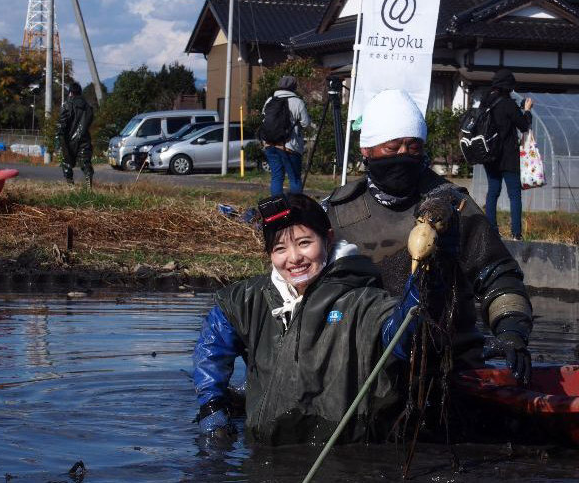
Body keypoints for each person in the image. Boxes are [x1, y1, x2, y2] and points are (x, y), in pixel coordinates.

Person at [324, 89, 533, 381]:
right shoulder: (337, 212)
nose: (403, 155)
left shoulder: (452, 204)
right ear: (367, 150)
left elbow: (498, 274)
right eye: (392, 147)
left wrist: (511, 330)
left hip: (449, 360)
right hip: (362, 362)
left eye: (413, 147)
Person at [192, 193, 422, 445]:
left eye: (304, 243)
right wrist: (211, 405)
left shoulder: (364, 301)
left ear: (328, 238)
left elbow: (404, 340)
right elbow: (213, 346)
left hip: (343, 454)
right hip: (265, 451)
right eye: (280, 248)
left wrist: (425, 281)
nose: (294, 258)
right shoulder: (247, 299)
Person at [482, 69, 533, 239]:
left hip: (490, 155)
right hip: (508, 156)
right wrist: (526, 110)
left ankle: (491, 231)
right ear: (508, 87)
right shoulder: (508, 104)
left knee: (493, 192)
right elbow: (524, 126)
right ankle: (516, 233)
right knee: (514, 195)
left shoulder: (485, 102)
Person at [261, 76, 311, 196]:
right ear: (294, 87)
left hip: (270, 144)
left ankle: (278, 208)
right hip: (289, 146)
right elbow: (306, 123)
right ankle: (296, 208)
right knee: (294, 178)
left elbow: (264, 119)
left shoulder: (270, 100)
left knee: (277, 177)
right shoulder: (298, 102)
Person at [56, 82, 94, 188]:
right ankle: (88, 184)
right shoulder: (88, 106)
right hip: (84, 137)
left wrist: (58, 138)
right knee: (85, 161)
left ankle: (71, 186)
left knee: (66, 162)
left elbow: (62, 124)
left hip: (68, 140)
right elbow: (89, 121)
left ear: (71, 93)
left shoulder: (67, 105)